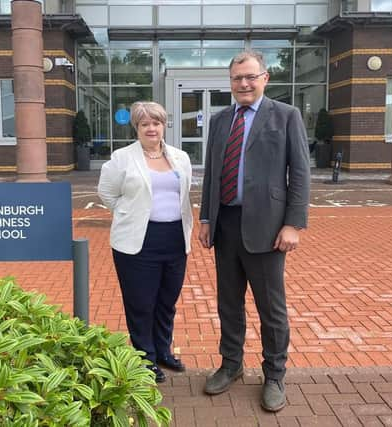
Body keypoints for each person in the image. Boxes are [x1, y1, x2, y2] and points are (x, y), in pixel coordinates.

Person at [198, 51, 310, 411]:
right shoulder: (219, 121)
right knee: (228, 303)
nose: (243, 84)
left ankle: (274, 374)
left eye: (249, 77)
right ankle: (231, 364)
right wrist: (205, 219)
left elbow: (301, 174)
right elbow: (212, 173)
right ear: (230, 82)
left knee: (270, 308)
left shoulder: (286, 116)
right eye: (236, 79)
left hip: (268, 228)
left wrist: (293, 223)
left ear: (265, 78)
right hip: (226, 225)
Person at [98, 101, 193, 383]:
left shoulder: (180, 157)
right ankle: (145, 358)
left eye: (156, 123)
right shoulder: (122, 158)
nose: (151, 128)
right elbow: (107, 194)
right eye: (145, 124)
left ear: (164, 125)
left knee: (167, 301)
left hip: (175, 239)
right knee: (141, 303)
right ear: (137, 128)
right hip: (137, 242)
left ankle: (163, 350)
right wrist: (131, 213)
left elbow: (184, 196)